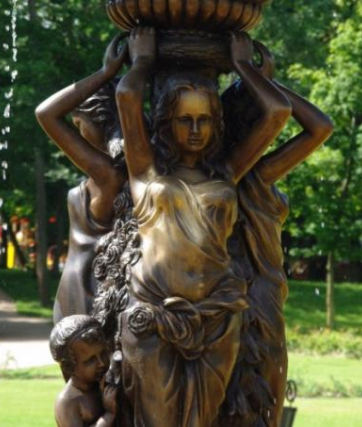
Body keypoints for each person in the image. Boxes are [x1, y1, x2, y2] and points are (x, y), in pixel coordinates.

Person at [113, 27, 292, 427]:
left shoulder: (226, 173)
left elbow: (278, 113)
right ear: (167, 123)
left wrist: (244, 67)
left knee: (204, 420)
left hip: (218, 315)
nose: (195, 130)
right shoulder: (145, 173)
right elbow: (127, 97)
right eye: (184, 120)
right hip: (155, 313)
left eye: (205, 120)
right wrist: (141, 61)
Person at [220, 42, 334, 426]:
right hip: (256, 292)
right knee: (263, 401)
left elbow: (315, 125)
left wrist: (256, 78)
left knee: (255, 399)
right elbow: (319, 126)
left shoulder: (247, 174)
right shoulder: (253, 176)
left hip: (257, 290)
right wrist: (257, 76)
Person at [35, 34, 130, 324]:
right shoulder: (110, 174)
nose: (75, 130)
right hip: (87, 286)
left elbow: (46, 114)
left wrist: (107, 72)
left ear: (102, 121)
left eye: (79, 123)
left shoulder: (108, 175)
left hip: (86, 289)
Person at [49, 315, 117, 427]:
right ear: (68, 366)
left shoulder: (105, 384)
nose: (101, 363)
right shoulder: (67, 402)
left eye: (103, 353)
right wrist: (109, 414)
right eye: (90, 360)